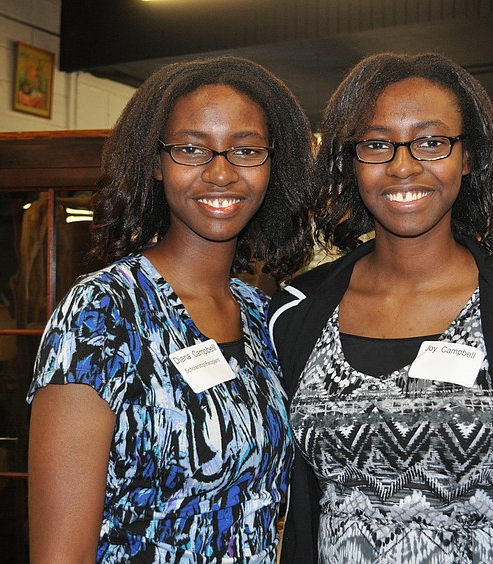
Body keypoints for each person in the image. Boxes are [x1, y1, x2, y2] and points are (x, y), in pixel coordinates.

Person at [269, 52, 493, 564]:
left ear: (470, 156)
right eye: (376, 143)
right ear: (351, 160)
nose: (403, 165)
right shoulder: (296, 314)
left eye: (432, 142)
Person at [27, 56, 317, 562]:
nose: (221, 172)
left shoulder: (260, 314)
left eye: (246, 150)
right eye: (191, 149)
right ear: (156, 163)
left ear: (273, 166)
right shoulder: (103, 313)